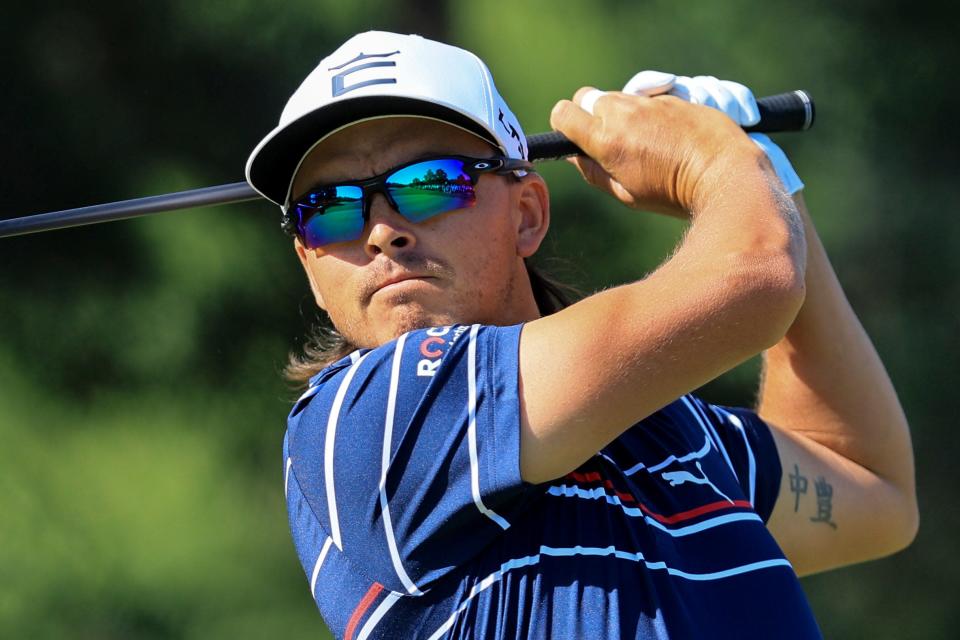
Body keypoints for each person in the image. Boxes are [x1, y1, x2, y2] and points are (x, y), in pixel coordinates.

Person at [245, 31, 917, 640]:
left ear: (527, 215)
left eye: (429, 185)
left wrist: (772, 182)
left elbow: (870, 487)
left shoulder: (668, 426)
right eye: (327, 210)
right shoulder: (363, 424)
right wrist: (718, 161)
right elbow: (760, 276)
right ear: (309, 262)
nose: (380, 231)